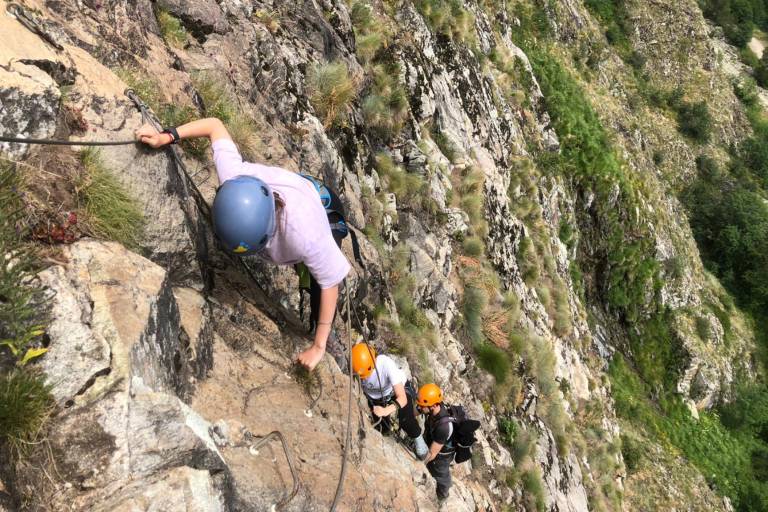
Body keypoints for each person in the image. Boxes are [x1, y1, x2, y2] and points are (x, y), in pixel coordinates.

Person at [135, 119, 350, 371]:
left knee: (317, 284)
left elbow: (331, 282)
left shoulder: (306, 235)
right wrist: (166, 136)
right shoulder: (235, 179)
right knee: (309, 265)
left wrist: (318, 347)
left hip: (324, 207)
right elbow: (214, 126)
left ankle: (328, 337)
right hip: (298, 190)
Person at [351, 343, 428, 459]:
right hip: (376, 398)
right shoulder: (356, 366)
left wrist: (386, 410)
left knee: (406, 419)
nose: (365, 378)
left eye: (366, 375)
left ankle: (418, 439)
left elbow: (402, 398)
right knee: (383, 428)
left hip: (398, 390)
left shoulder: (385, 364)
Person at [417, 383, 454, 502]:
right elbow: (416, 411)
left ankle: (443, 495)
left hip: (442, 456)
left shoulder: (444, 427)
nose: (420, 408)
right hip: (432, 440)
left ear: (433, 406)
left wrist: (418, 465)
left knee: (440, 473)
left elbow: (432, 454)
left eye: (422, 406)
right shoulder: (433, 408)